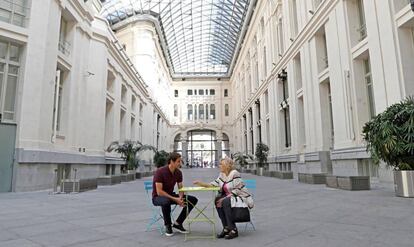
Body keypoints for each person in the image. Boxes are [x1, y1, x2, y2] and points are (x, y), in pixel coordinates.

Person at [193, 157, 254, 240]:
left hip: (239, 197)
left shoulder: (234, 173)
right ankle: (226, 228)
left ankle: (233, 229)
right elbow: (214, 184)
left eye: (221, 164)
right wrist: (201, 183)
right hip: (229, 198)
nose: (219, 166)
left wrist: (225, 198)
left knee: (225, 201)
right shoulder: (222, 175)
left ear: (227, 165)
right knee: (218, 200)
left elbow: (238, 189)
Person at [152, 152, 198, 236]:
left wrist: (180, 198)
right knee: (166, 201)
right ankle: (168, 225)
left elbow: (180, 188)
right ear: (171, 161)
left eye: (180, 161)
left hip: (170, 195)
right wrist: (175, 199)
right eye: (178, 161)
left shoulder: (178, 173)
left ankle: (178, 223)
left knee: (192, 200)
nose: (180, 163)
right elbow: (159, 192)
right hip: (158, 197)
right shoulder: (160, 172)